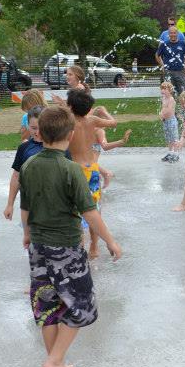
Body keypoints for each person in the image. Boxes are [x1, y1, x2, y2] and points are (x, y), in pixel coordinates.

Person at [19, 105, 122, 367]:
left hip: (38, 247)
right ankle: (54, 360)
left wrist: (27, 234)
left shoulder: (29, 166)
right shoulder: (71, 170)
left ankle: (57, 364)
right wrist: (111, 241)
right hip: (66, 248)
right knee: (82, 306)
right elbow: (90, 213)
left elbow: (25, 206)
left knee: (49, 305)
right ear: (71, 133)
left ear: (41, 133)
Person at [66, 89, 117, 259]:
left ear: (71, 106)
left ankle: (79, 248)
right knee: (93, 209)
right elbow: (114, 123)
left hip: (76, 171)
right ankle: (94, 247)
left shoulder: (68, 122)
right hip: (92, 169)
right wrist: (104, 112)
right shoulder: (93, 120)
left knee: (76, 211)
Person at [5, 106, 46, 221]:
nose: (37, 132)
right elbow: (16, 176)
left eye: (41, 128)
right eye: (33, 128)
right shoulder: (24, 148)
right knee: (29, 238)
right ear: (27, 125)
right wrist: (10, 204)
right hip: (29, 204)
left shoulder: (57, 146)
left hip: (52, 204)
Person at [155, 26, 185, 97]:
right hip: (168, 72)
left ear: (177, 33)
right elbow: (157, 55)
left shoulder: (182, 44)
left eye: (174, 33)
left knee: (184, 94)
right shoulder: (164, 44)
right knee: (168, 95)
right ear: (168, 34)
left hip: (180, 72)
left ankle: (183, 108)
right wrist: (162, 65)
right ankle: (170, 108)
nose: (173, 35)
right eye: (171, 33)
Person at [159, 81, 180, 163]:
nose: (162, 91)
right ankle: (170, 153)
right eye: (161, 89)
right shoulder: (164, 98)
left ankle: (176, 154)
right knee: (169, 139)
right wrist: (161, 113)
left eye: (164, 89)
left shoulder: (171, 99)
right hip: (165, 121)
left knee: (174, 138)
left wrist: (162, 114)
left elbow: (169, 111)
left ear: (170, 90)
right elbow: (163, 108)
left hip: (171, 121)